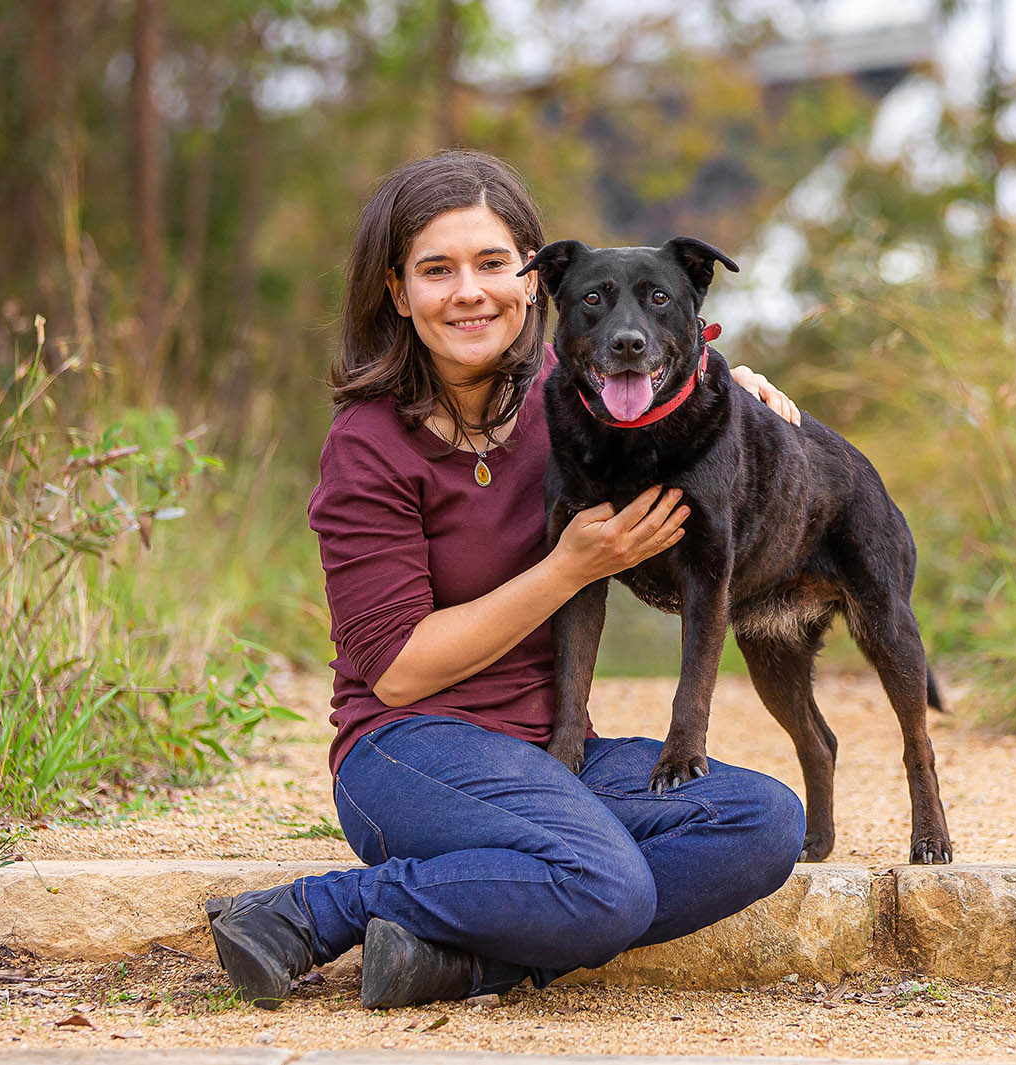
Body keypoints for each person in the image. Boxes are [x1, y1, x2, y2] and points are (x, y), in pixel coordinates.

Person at [205, 149, 808, 1011]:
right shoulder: (368, 446)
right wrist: (569, 568)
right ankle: (312, 911)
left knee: (762, 823)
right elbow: (401, 670)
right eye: (436, 270)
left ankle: (457, 961)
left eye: (492, 264)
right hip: (410, 754)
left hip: (556, 754)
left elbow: (668, 371)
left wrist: (727, 399)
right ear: (397, 291)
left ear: (533, 281)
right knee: (608, 883)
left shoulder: (580, 394)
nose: (470, 292)